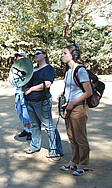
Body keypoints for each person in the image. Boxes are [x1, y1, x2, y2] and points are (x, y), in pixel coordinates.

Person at [59, 44, 92, 176]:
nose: (62, 55)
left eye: (65, 53)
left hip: (79, 108)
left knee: (80, 138)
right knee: (72, 137)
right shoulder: (68, 71)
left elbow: (88, 92)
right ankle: (74, 162)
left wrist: (73, 103)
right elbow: (70, 88)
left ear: (73, 56)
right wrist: (62, 94)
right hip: (69, 107)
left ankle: (84, 165)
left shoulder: (81, 70)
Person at [24, 49, 63, 158]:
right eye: (34, 54)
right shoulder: (32, 69)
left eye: (38, 54)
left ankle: (56, 149)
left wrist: (31, 89)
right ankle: (34, 146)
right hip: (29, 101)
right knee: (35, 125)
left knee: (48, 125)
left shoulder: (49, 69)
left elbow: (47, 84)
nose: (35, 56)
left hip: (42, 100)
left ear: (44, 55)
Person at [14, 52, 32, 140]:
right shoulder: (16, 70)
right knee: (20, 111)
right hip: (18, 92)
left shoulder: (29, 69)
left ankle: (31, 131)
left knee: (26, 112)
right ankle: (26, 129)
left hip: (25, 93)